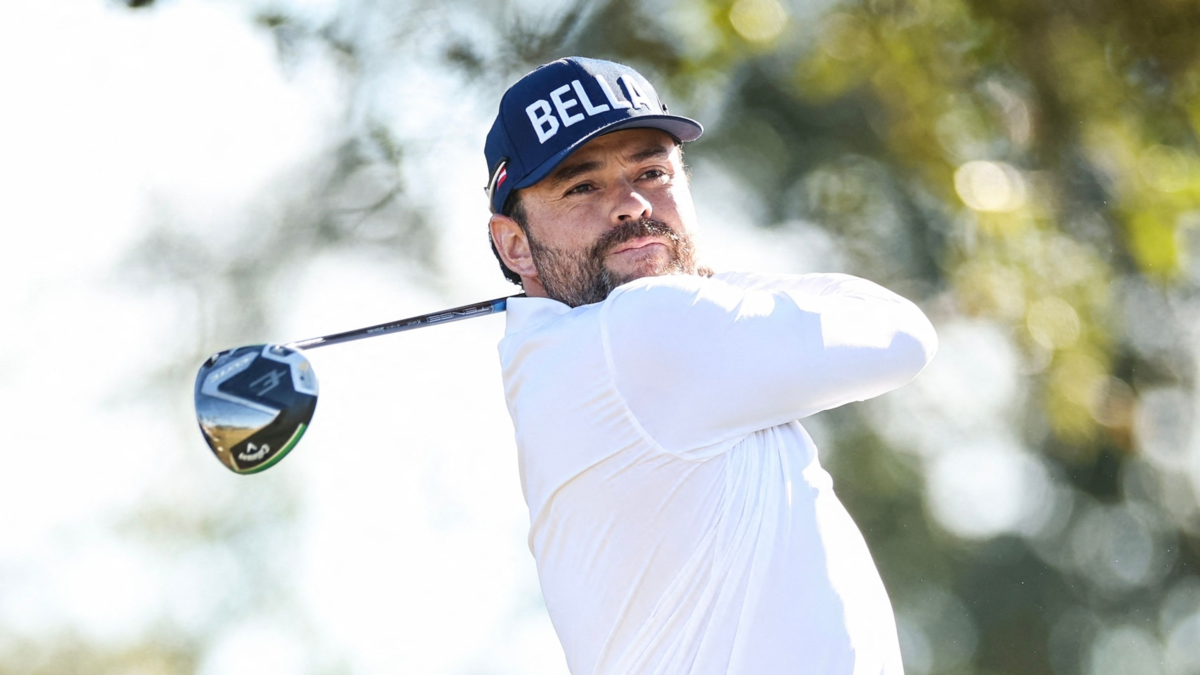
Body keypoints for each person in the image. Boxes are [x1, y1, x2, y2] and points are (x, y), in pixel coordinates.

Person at [483, 57, 938, 675]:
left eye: (652, 173)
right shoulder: (643, 328)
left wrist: (687, 278)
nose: (632, 206)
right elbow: (902, 333)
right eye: (582, 186)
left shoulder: (551, 357)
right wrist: (695, 274)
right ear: (514, 244)